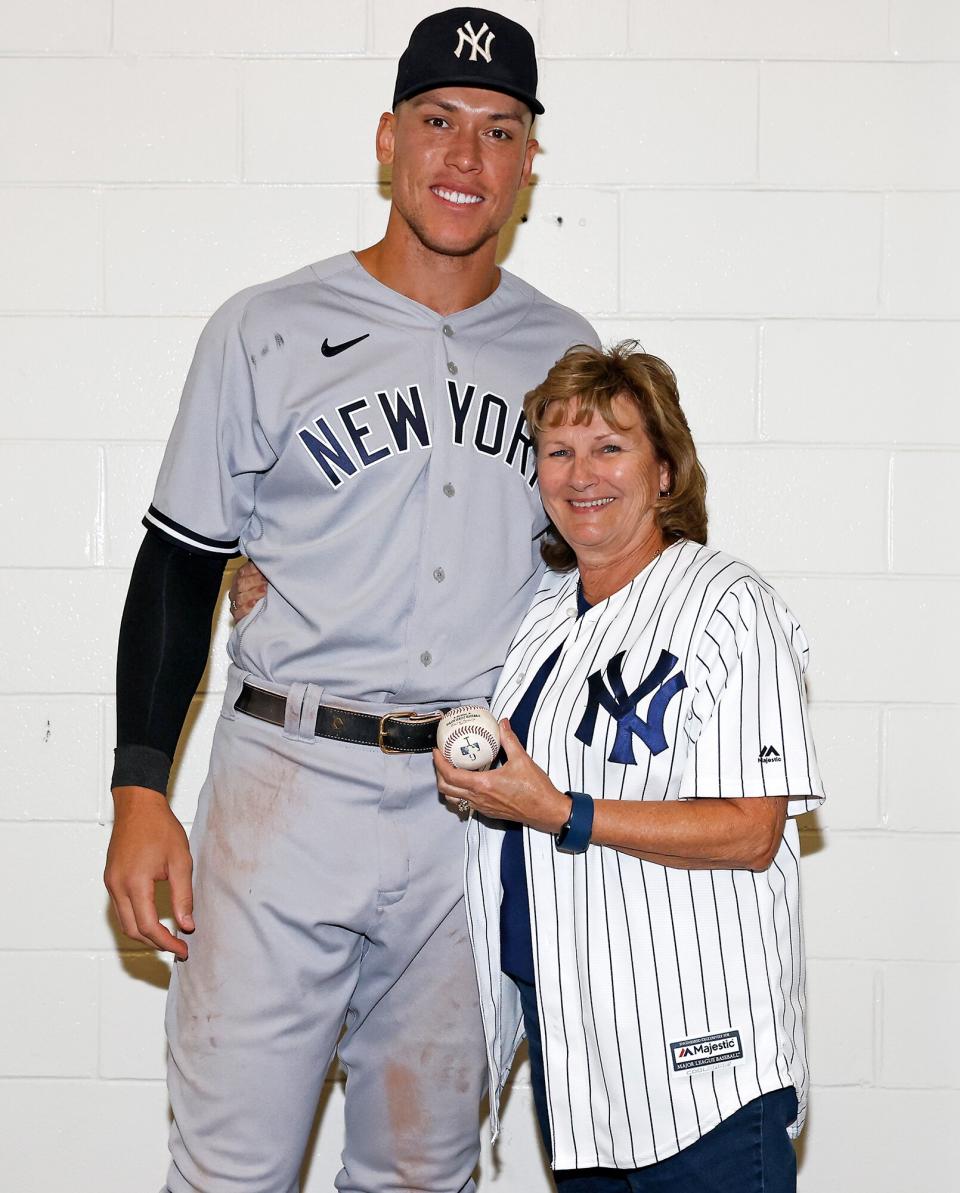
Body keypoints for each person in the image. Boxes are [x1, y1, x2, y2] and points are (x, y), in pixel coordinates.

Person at [102, 9, 598, 1192]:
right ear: (388, 141)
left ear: (531, 161)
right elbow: (176, 565)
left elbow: (604, 587)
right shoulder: (266, 328)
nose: (465, 157)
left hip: (469, 806)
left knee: (424, 1173)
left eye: (498, 130)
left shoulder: (566, 353)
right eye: (438, 122)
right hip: (290, 783)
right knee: (231, 1169)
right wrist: (136, 789)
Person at [434, 343, 825, 1193]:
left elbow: (753, 831)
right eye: (559, 451)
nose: (582, 474)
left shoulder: (728, 604)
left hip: (704, 1067)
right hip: (578, 1061)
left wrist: (563, 810)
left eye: (611, 446)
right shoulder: (539, 614)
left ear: (665, 469)